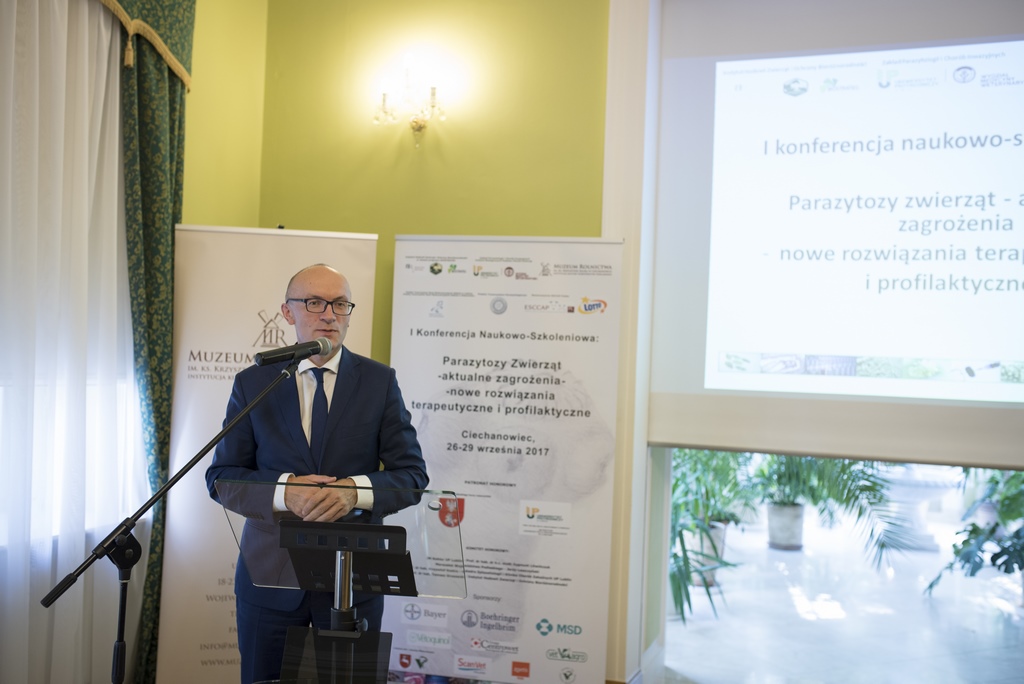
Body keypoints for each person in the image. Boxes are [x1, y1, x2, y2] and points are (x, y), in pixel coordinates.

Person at [206, 263, 428, 684]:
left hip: (353, 581)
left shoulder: (379, 382)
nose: (329, 314)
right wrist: (284, 491)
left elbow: (412, 475)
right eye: (314, 303)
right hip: (269, 576)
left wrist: (354, 492)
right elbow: (222, 478)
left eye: (340, 304)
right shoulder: (254, 383)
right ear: (287, 312)